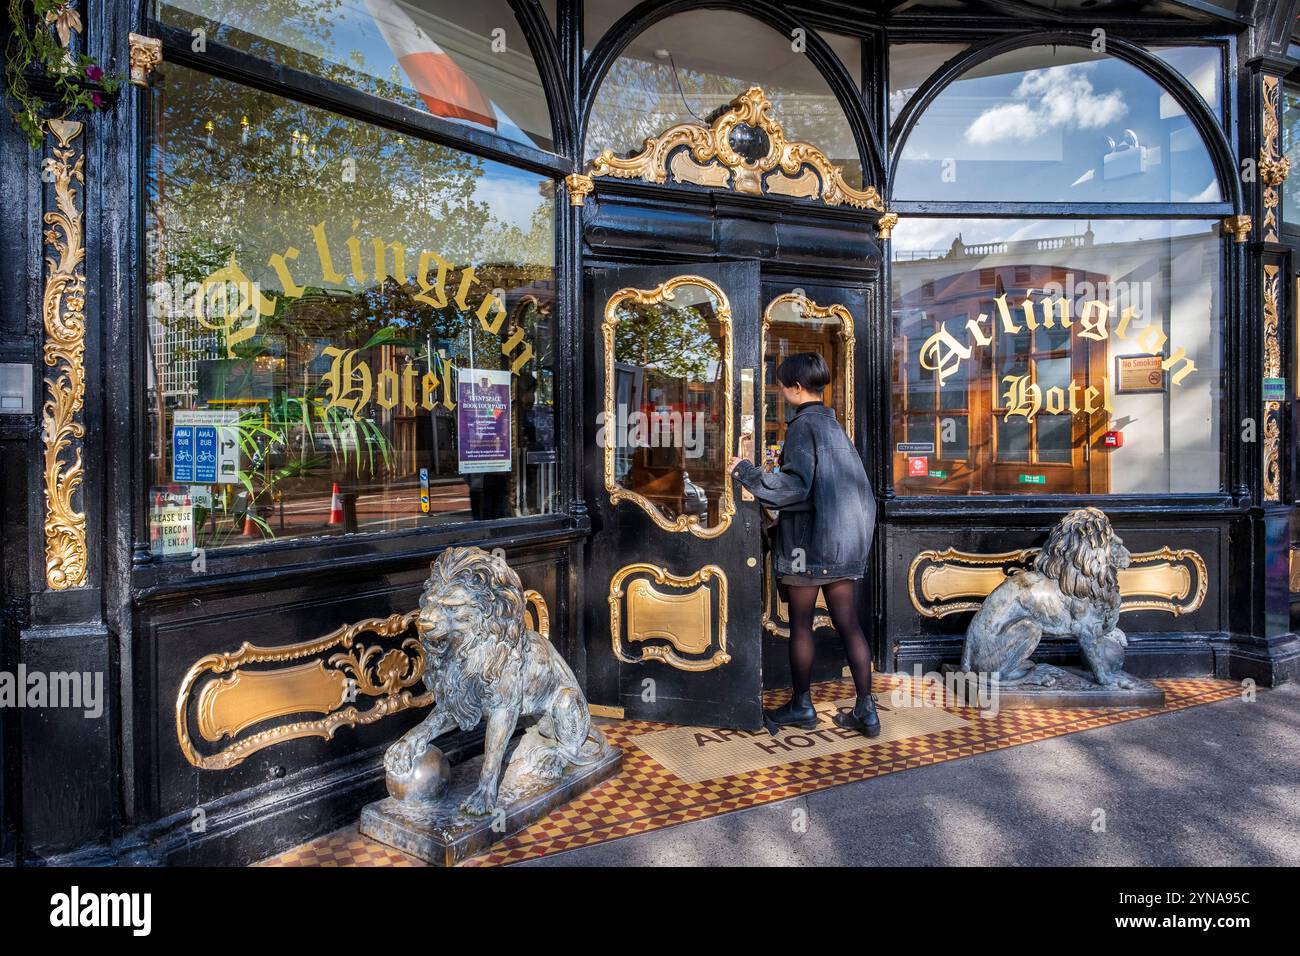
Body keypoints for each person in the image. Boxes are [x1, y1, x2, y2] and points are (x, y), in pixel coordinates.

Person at [727, 352, 879, 736]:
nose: (780, 392)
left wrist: (746, 472)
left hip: (808, 548)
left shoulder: (801, 428)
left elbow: (794, 487)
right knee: (850, 625)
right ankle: (867, 709)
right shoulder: (836, 429)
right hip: (845, 545)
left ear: (796, 388)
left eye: (782, 385)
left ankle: (802, 706)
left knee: (801, 626)